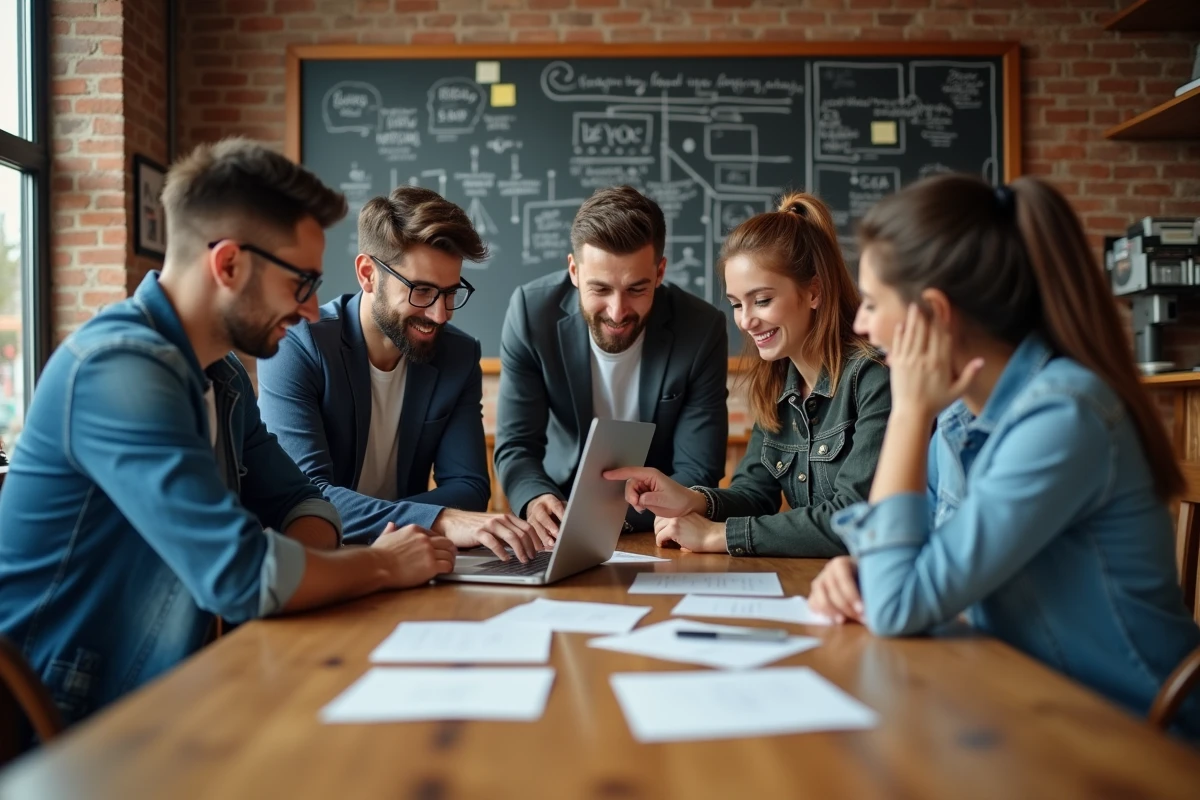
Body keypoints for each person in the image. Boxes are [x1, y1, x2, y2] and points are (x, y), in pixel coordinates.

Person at [0, 139, 456, 730]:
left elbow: (303, 501)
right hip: (64, 722)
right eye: (302, 284)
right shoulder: (118, 369)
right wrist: (379, 565)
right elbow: (243, 576)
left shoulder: (221, 373)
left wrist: (289, 572)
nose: (315, 310)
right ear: (229, 264)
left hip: (175, 692)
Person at [808, 174, 1200, 735]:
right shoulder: (961, 412)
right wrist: (862, 570)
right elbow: (921, 572)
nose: (860, 324)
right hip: (1029, 706)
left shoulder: (1063, 418)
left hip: (1138, 738)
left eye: (871, 302)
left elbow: (899, 607)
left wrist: (907, 413)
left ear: (933, 314)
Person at [258, 186, 542, 561]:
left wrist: (401, 523)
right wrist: (436, 519)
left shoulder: (457, 354)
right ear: (368, 275)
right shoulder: (298, 347)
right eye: (421, 291)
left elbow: (470, 486)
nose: (440, 315)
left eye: (450, 293)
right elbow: (306, 496)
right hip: (317, 562)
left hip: (412, 561)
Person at [606, 193, 890, 556]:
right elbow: (755, 493)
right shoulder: (776, 384)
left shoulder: (873, 378)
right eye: (737, 304)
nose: (746, 320)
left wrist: (716, 536)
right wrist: (691, 499)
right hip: (817, 582)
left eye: (763, 300)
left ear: (814, 292)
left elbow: (852, 518)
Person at [493, 185, 728, 540]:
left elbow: (698, 467)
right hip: (561, 516)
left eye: (637, 289)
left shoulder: (701, 328)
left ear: (660, 272)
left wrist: (635, 517)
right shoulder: (530, 314)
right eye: (600, 289)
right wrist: (536, 498)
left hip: (660, 524)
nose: (617, 312)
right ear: (574, 271)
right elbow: (516, 446)